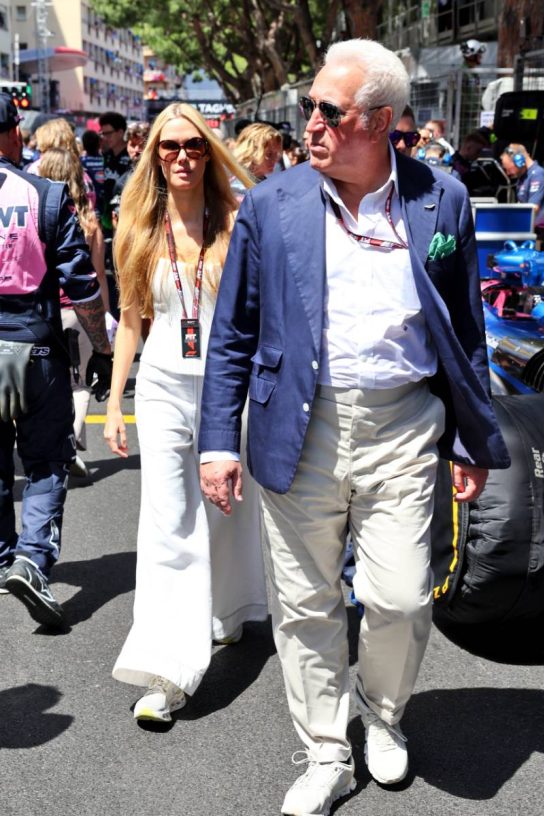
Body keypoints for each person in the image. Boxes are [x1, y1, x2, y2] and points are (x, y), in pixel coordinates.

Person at [199, 39, 510, 815]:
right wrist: (214, 441)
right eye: (308, 108)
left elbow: (463, 330)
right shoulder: (272, 204)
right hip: (296, 424)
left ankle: (383, 715)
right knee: (304, 605)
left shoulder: (442, 200)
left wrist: (471, 439)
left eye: (327, 111)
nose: (310, 123)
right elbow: (232, 332)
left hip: (404, 422)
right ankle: (325, 749)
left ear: (378, 120)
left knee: (401, 597)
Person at [104, 102, 268, 723]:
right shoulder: (138, 227)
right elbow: (130, 319)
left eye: (193, 147)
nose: (181, 157)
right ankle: (169, 672)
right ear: (154, 155)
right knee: (169, 520)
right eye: (169, 147)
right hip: (165, 385)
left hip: (231, 388)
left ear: (209, 153)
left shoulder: (238, 221)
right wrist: (116, 400)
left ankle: (226, 612)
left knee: (228, 510)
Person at [0, 93, 112, 627]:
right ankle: (32, 558)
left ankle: (4, 555)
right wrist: (103, 350)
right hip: (38, 347)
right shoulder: (44, 195)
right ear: (14, 131)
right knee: (45, 461)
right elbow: (82, 285)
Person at [38, 147, 111, 478]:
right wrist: (105, 317)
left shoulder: (36, 213)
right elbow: (96, 277)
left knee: (50, 383)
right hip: (80, 312)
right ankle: (69, 444)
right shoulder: (89, 222)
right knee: (80, 384)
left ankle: (61, 445)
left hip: (44, 311)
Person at [500, 143, 544, 228]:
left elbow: (532, 208)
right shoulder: (523, 177)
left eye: (508, 169)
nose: (508, 173)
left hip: (539, 233)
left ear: (519, 161)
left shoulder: (537, 175)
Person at [80, 129, 106, 216]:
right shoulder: (105, 160)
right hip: (104, 204)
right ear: (99, 144)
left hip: (88, 206)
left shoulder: (80, 162)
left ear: (83, 145)